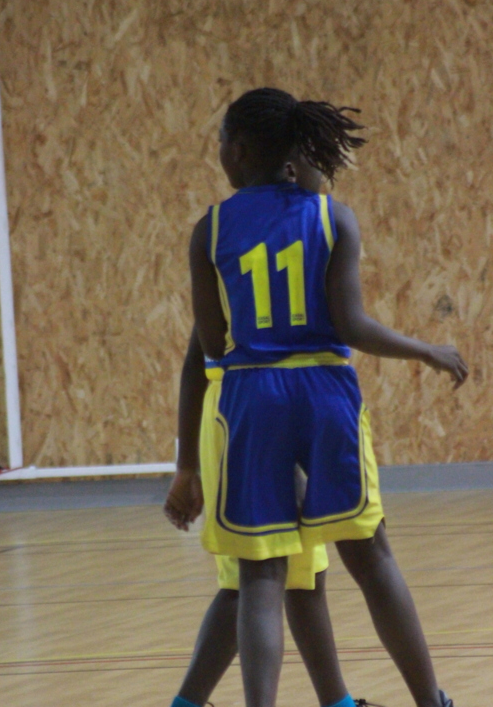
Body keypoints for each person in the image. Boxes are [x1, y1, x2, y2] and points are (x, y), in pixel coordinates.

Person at [179, 88, 468, 707]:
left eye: (222, 142)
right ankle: (431, 700)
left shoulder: (211, 230)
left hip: (250, 396)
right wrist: (424, 349)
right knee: (372, 558)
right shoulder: (332, 218)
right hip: (324, 393)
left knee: (261, 577)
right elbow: (352, 326)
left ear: (240, 150)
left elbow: (212, 343)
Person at [165, 155, 358, 707]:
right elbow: (196, 362)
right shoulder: (239, 242)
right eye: (322, 166)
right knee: (253, 583)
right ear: (293, 169)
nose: (328, 179)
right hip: (241, 423)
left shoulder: (300, 240)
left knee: (299, 579)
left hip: (269, 420)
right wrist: (187, 466)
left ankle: (337, 701)